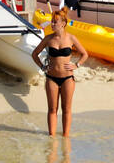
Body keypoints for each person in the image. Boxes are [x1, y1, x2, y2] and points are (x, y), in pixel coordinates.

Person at [31, 8, 89, 136]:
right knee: (52, 109)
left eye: (55, 22)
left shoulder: (71, 38)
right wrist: (42, 66)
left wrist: (77, 65)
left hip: (68, 79)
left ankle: (65, 138)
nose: (52, 24)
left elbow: (85, 54)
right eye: (52, 21)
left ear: (63, 23)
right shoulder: (48, 39)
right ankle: (51, 139)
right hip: (51, 78)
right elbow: (34, 54)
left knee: (66, 109)